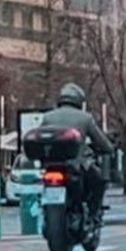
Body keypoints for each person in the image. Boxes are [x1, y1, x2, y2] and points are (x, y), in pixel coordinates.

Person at [39, 83, 114, 221]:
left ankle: (48, 214)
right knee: (98, 181)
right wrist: (108, 148)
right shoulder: (85, 118)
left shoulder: (48, 117)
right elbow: (101, 141)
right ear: (79, 100)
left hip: (50, 165)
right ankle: (93, 214)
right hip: (76, 165)